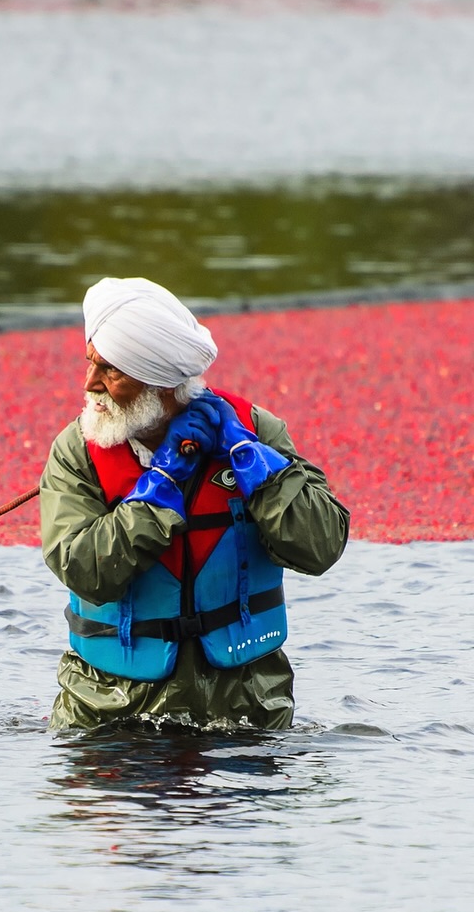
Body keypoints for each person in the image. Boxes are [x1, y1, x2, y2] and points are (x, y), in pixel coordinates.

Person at [40, 277, 349, 730]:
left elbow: (322, 547)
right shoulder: (76, 452)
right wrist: (162, 484)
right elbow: (84, 569)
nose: (90, 384)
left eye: (111, 371)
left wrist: (255, 464)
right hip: (107, 713)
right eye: (91, 363)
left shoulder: (257, 431)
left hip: (247, 709)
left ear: (161, 385)